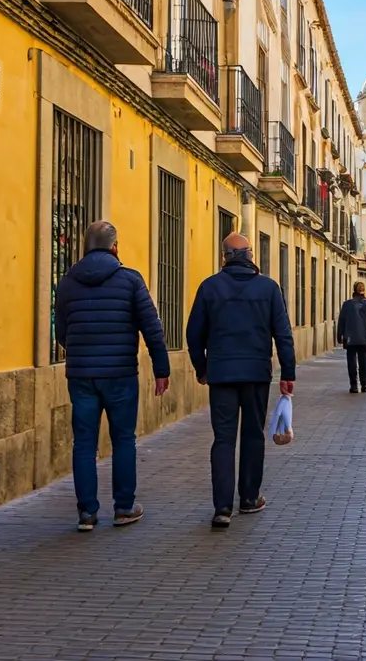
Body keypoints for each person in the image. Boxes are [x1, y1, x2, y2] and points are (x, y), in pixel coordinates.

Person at [54, 220, 170, 532]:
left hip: (81, 376)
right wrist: (162, 370)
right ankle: (123, 507)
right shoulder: (130, 280)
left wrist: (80, 350)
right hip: (120, 375)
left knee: (84, 444)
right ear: (114, 247)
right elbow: (152, 328)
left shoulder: (67, 282)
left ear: (86, 247)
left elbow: (61, 331)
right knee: (123, 440)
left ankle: (87, 513)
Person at [187, 232, 296, 529]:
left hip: (221, 375)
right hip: (256, 375)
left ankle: (222, 508)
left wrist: (202, 368)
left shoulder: (209, 287)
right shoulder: (269, 288)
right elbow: (283, 334)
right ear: (250, 255)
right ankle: (249, 498)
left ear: (224, 257)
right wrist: (288, 373)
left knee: (223, 439)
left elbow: (193, 334)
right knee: (252, 435)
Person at [337, 281, 366, 393]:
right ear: (363, 290)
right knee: (363, 361)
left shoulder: (347, 304)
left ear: (354, 290)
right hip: (365, 338)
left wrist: (340, 336)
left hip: (350, 338)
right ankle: (364, 383)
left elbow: (341, 321)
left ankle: (353, 385)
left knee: (351, 361)